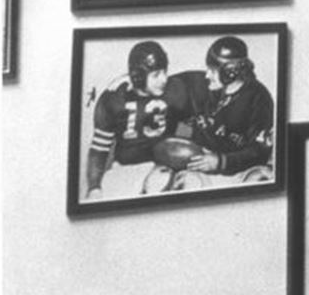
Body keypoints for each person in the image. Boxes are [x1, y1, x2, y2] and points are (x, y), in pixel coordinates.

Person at [157, 36, 276, 191]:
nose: (207, 75)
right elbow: (198, 131)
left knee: (261, 178)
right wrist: (174, 129)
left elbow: (259, 152)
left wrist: (221, 162)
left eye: (212, 70)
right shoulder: (207, 86)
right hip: (203, 162)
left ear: (230, 72)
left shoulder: (258, 98)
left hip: (240, 170)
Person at [84, 40, 178, 200]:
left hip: (165, 166)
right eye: (156, 75)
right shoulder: (115, 97)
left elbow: (190, 125)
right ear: (138, 77)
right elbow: (99, 148)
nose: (164, 79)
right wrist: (94, 187)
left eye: (165, 72)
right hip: (127, 170)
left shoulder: (175, 89)